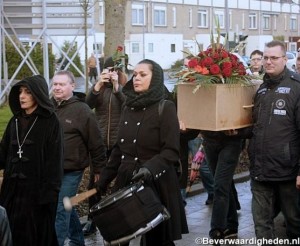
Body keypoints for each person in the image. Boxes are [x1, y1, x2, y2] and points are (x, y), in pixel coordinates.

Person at [96, 59, 188, 245]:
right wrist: (103, 181)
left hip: (156, 182)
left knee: (157, 241)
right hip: (126, 180)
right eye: (135, 74)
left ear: (155, 79)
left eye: (143, 75)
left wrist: (149, 169)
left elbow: (171, 150)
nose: (136, 78)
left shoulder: (165, 107)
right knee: (117, 239)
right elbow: (119, 150)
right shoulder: (127, 106)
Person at [0, 75, 64, 246]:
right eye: (20, 92)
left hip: (37, 195)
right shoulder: (14, 121)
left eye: (27, 92)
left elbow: (54, 162)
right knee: (10, 236)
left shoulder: (51, 122)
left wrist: (49, 195)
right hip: (12, 193)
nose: (22, 96)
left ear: (38, 94)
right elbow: (3, 152)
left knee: (36, 238)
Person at [247, 40, 300, 242]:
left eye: (274, 58)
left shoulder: (296, 87)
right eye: (266, 58)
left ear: (285, 59)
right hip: (260, 170)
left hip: (287, 171)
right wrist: (238, 132)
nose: (268, 62)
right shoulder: (260, 89)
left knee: (294, 223)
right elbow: (256, 127)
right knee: (261, 225)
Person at [52, 70, 107, 246]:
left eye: (62, 84)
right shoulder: (48, 107)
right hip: (51, 168)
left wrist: (99, 169)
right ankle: (77, 240)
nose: (57, 87)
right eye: (55, 84)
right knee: (65, 205)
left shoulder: (82, 111)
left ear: (72, 86)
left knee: (60, 209)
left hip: (72, 169)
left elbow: (96, 142)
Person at [84, 56, 127, 235]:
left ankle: (122, 219)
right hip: (100, 144)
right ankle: (92, 220)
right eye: (108, 70)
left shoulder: (126, 88)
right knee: (95, 183)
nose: (111, 74)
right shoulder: (98, 88)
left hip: (120, 145)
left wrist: (117, 88)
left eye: (114, 70)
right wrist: (97, 85)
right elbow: (87, 105)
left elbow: (128, 105)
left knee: (121, 183)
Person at [201, 130, 244, 241]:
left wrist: (239, 132)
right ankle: (232, 224)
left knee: (220, 185)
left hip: (231, 141)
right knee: (224, 184)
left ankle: (217, 228)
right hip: (209, 141)